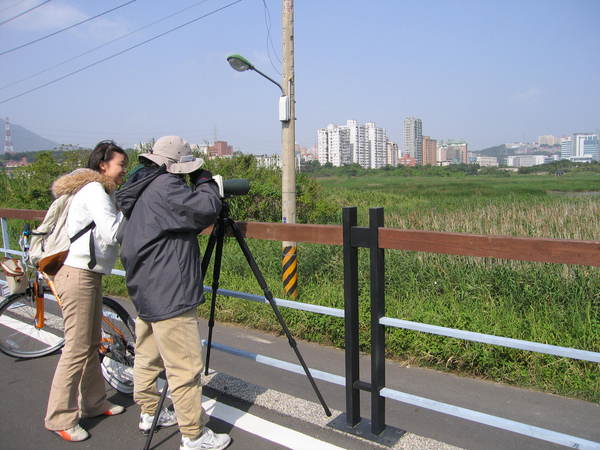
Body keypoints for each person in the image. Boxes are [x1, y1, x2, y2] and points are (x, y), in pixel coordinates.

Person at [116, 136, 230, 450]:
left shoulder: (140, 188)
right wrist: (207, 183)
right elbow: (205, 209)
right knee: (184, 367)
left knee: (148, 355)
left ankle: (149, 412)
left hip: (145, 287)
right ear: (171, 165)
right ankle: (193, 435)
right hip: (170, 292)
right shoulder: (166, 187)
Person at [45, 140, 128, 441]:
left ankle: (93, 403)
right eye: (121, 165)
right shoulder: (94, 190)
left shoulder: (100, 190)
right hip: (78, 274)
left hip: (86, 274)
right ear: (103, 165)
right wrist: (132, 212)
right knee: (77, 348)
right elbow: (111, 231)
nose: (124, 172)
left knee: (91, 343)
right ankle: (59, 418)